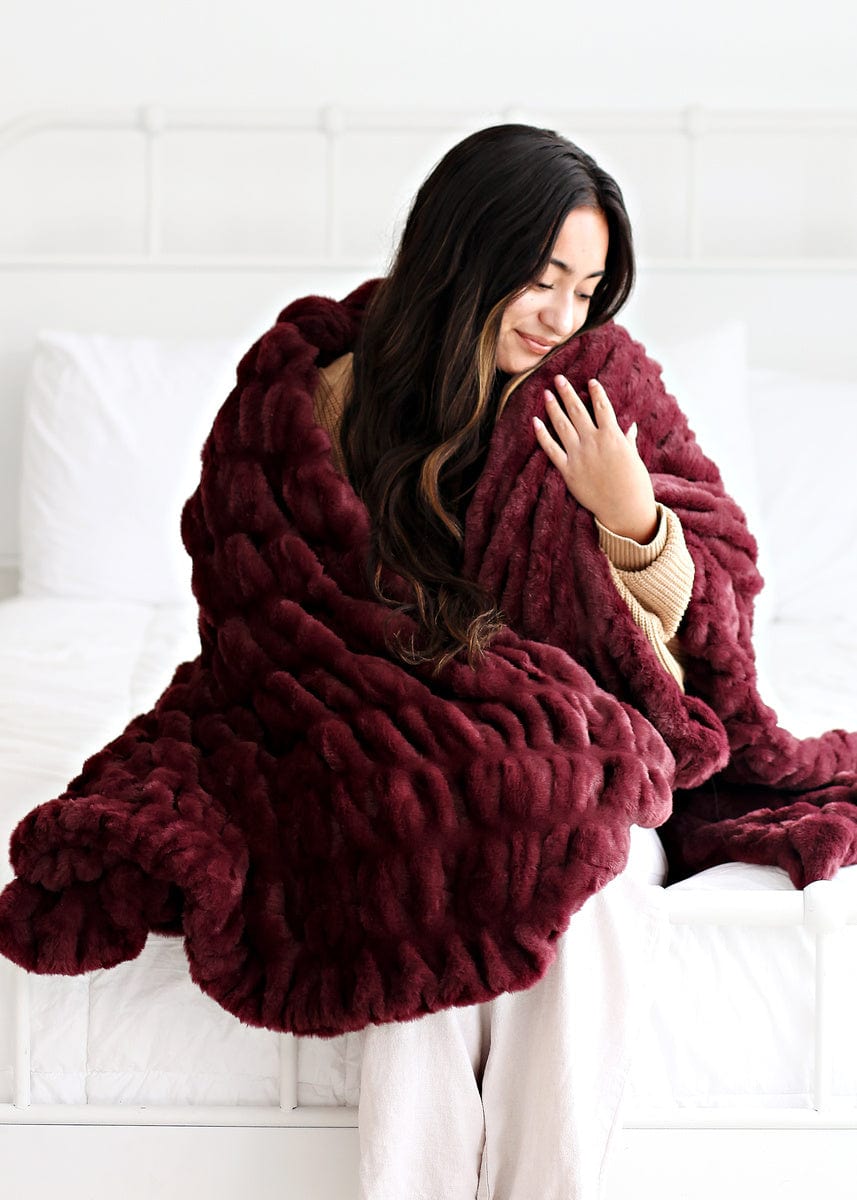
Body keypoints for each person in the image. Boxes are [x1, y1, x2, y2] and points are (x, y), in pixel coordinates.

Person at [310, 124, 694, 1199]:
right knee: (411, 855)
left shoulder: (599, 396)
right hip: (401, 735)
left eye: (586, 290)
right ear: (465, 252)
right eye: (539, 279)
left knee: (597, 870)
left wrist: (630, 515)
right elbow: (286, 606)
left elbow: (685, 636)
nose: (561, 316)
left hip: (582, 740)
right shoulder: (336, 398)